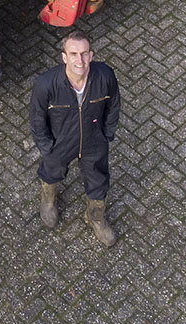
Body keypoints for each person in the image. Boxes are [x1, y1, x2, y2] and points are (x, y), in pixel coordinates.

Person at [28, 31, 121, 247]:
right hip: (59, 142)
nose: (79, 60)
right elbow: (37, 119)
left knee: (99, 180)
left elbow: (113, 105)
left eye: (84, 54)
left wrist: (107, 134)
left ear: (91, 55)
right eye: (73, 54)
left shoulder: (105, 76)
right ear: (64, 57)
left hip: (94, 141)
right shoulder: (45, 84)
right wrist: (46, 147)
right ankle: (49, 200)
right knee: (52, 172)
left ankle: (95, 217)